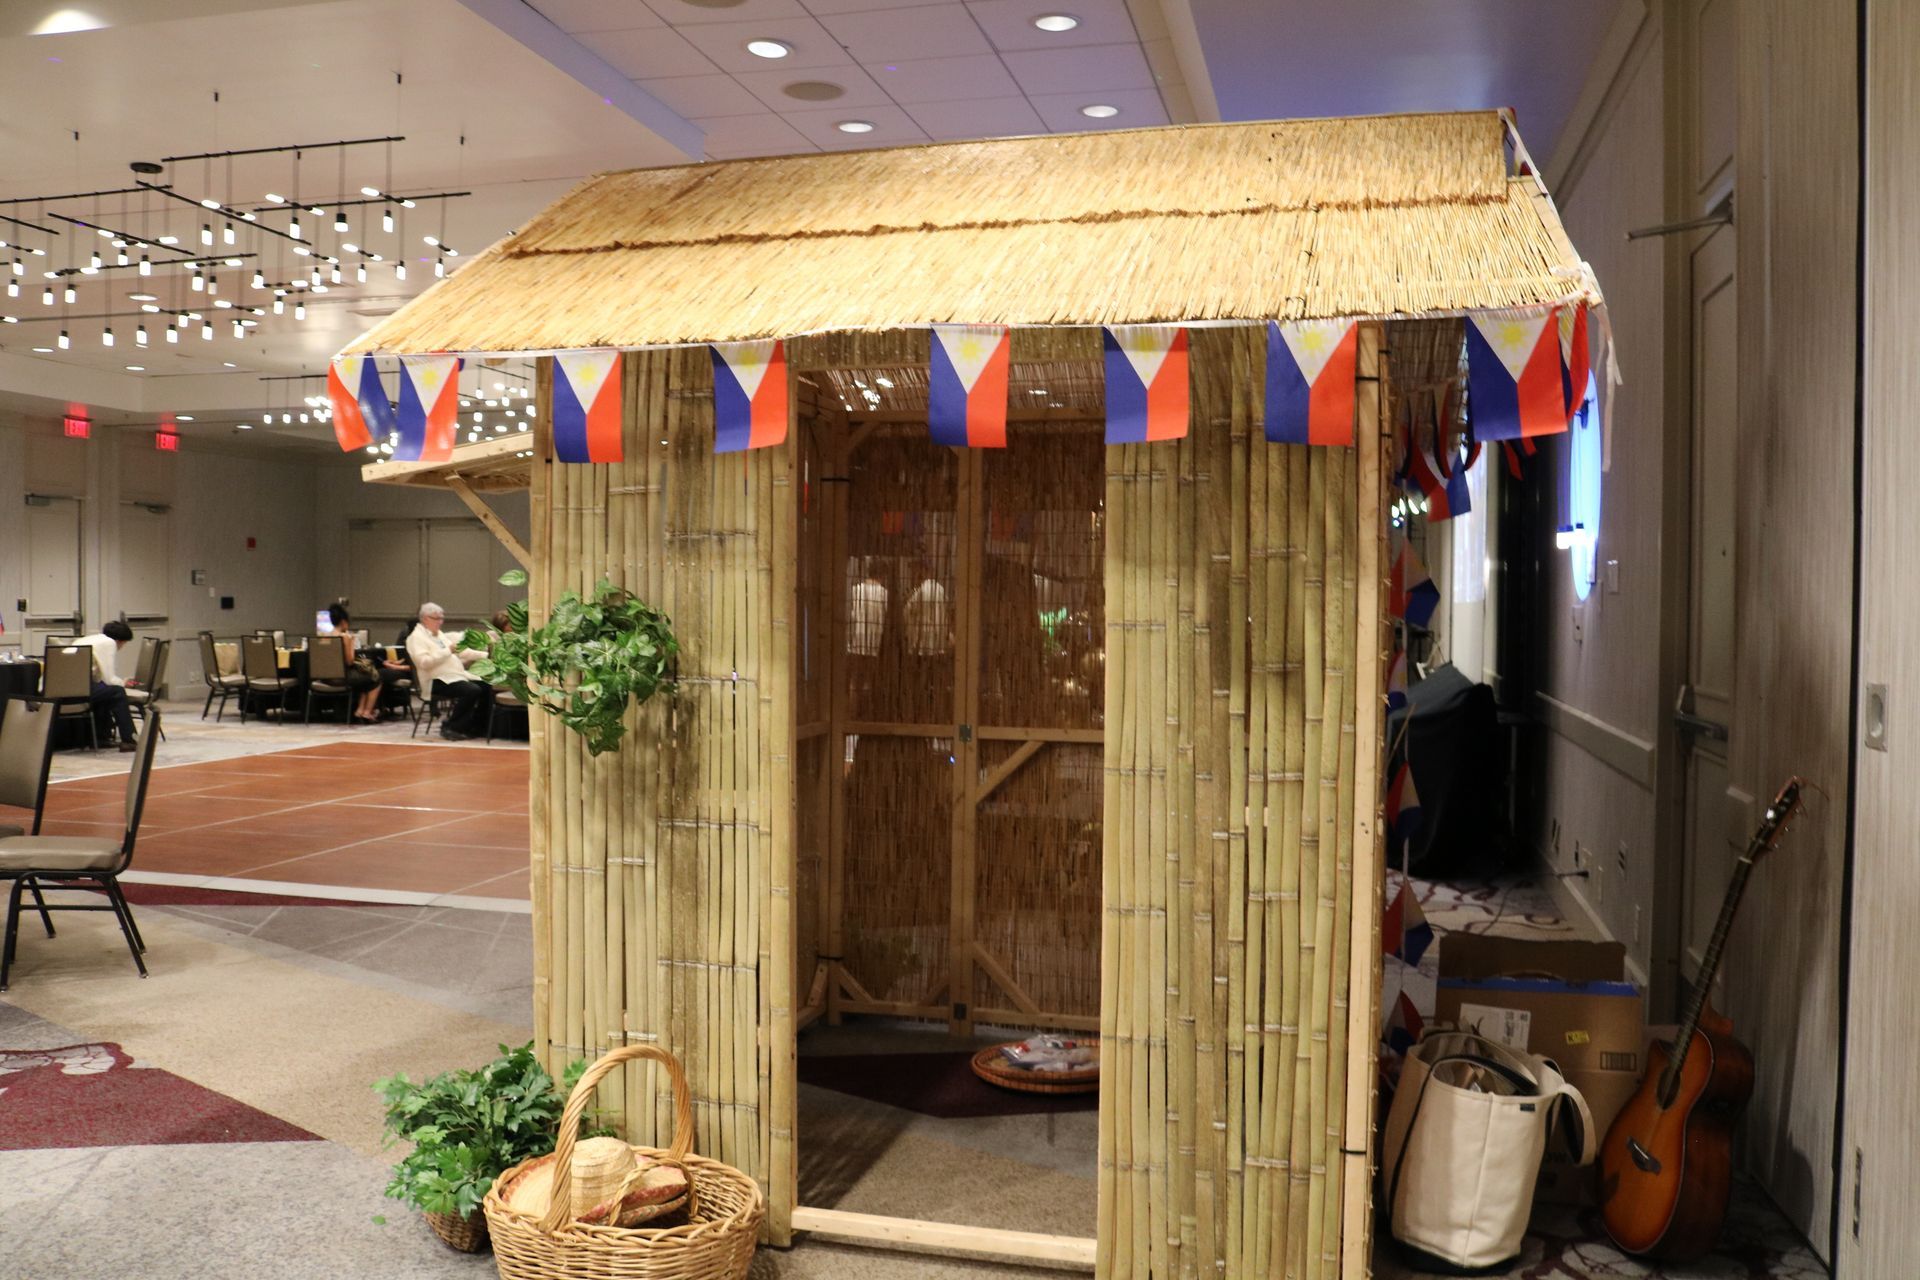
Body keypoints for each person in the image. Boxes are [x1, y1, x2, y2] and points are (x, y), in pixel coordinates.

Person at [405, 602, 492, 739]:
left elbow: (462, 652)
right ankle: (451, 726)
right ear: (425, 619)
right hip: (434, 681)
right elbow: (424, 663)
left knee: (487, 686)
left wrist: (487, 656)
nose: (441, 622)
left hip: (453, 677)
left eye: (442, 618)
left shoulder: (438, 635)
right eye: (437, 619)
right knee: (471, 690)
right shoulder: (416, 638)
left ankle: (476, 726)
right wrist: (447, 651)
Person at [73, 619, 138, 751]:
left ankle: (100, 737)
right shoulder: (109, 643)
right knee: (117, 692)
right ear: (120, 641)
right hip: (78, 689)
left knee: (105, 691)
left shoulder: (88, 639)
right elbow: (109, 678)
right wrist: (123, 683)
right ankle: (130, 739)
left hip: (59, 688)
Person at [325, 603, 385, 724]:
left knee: (365, 679)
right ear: (343, 621)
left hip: (326, 677)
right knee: (376, 678)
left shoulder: (324, 637)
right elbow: (349, 661)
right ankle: (367, 712)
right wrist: (351, 643)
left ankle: (360, 711)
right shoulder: (344, 637)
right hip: (341, 677)